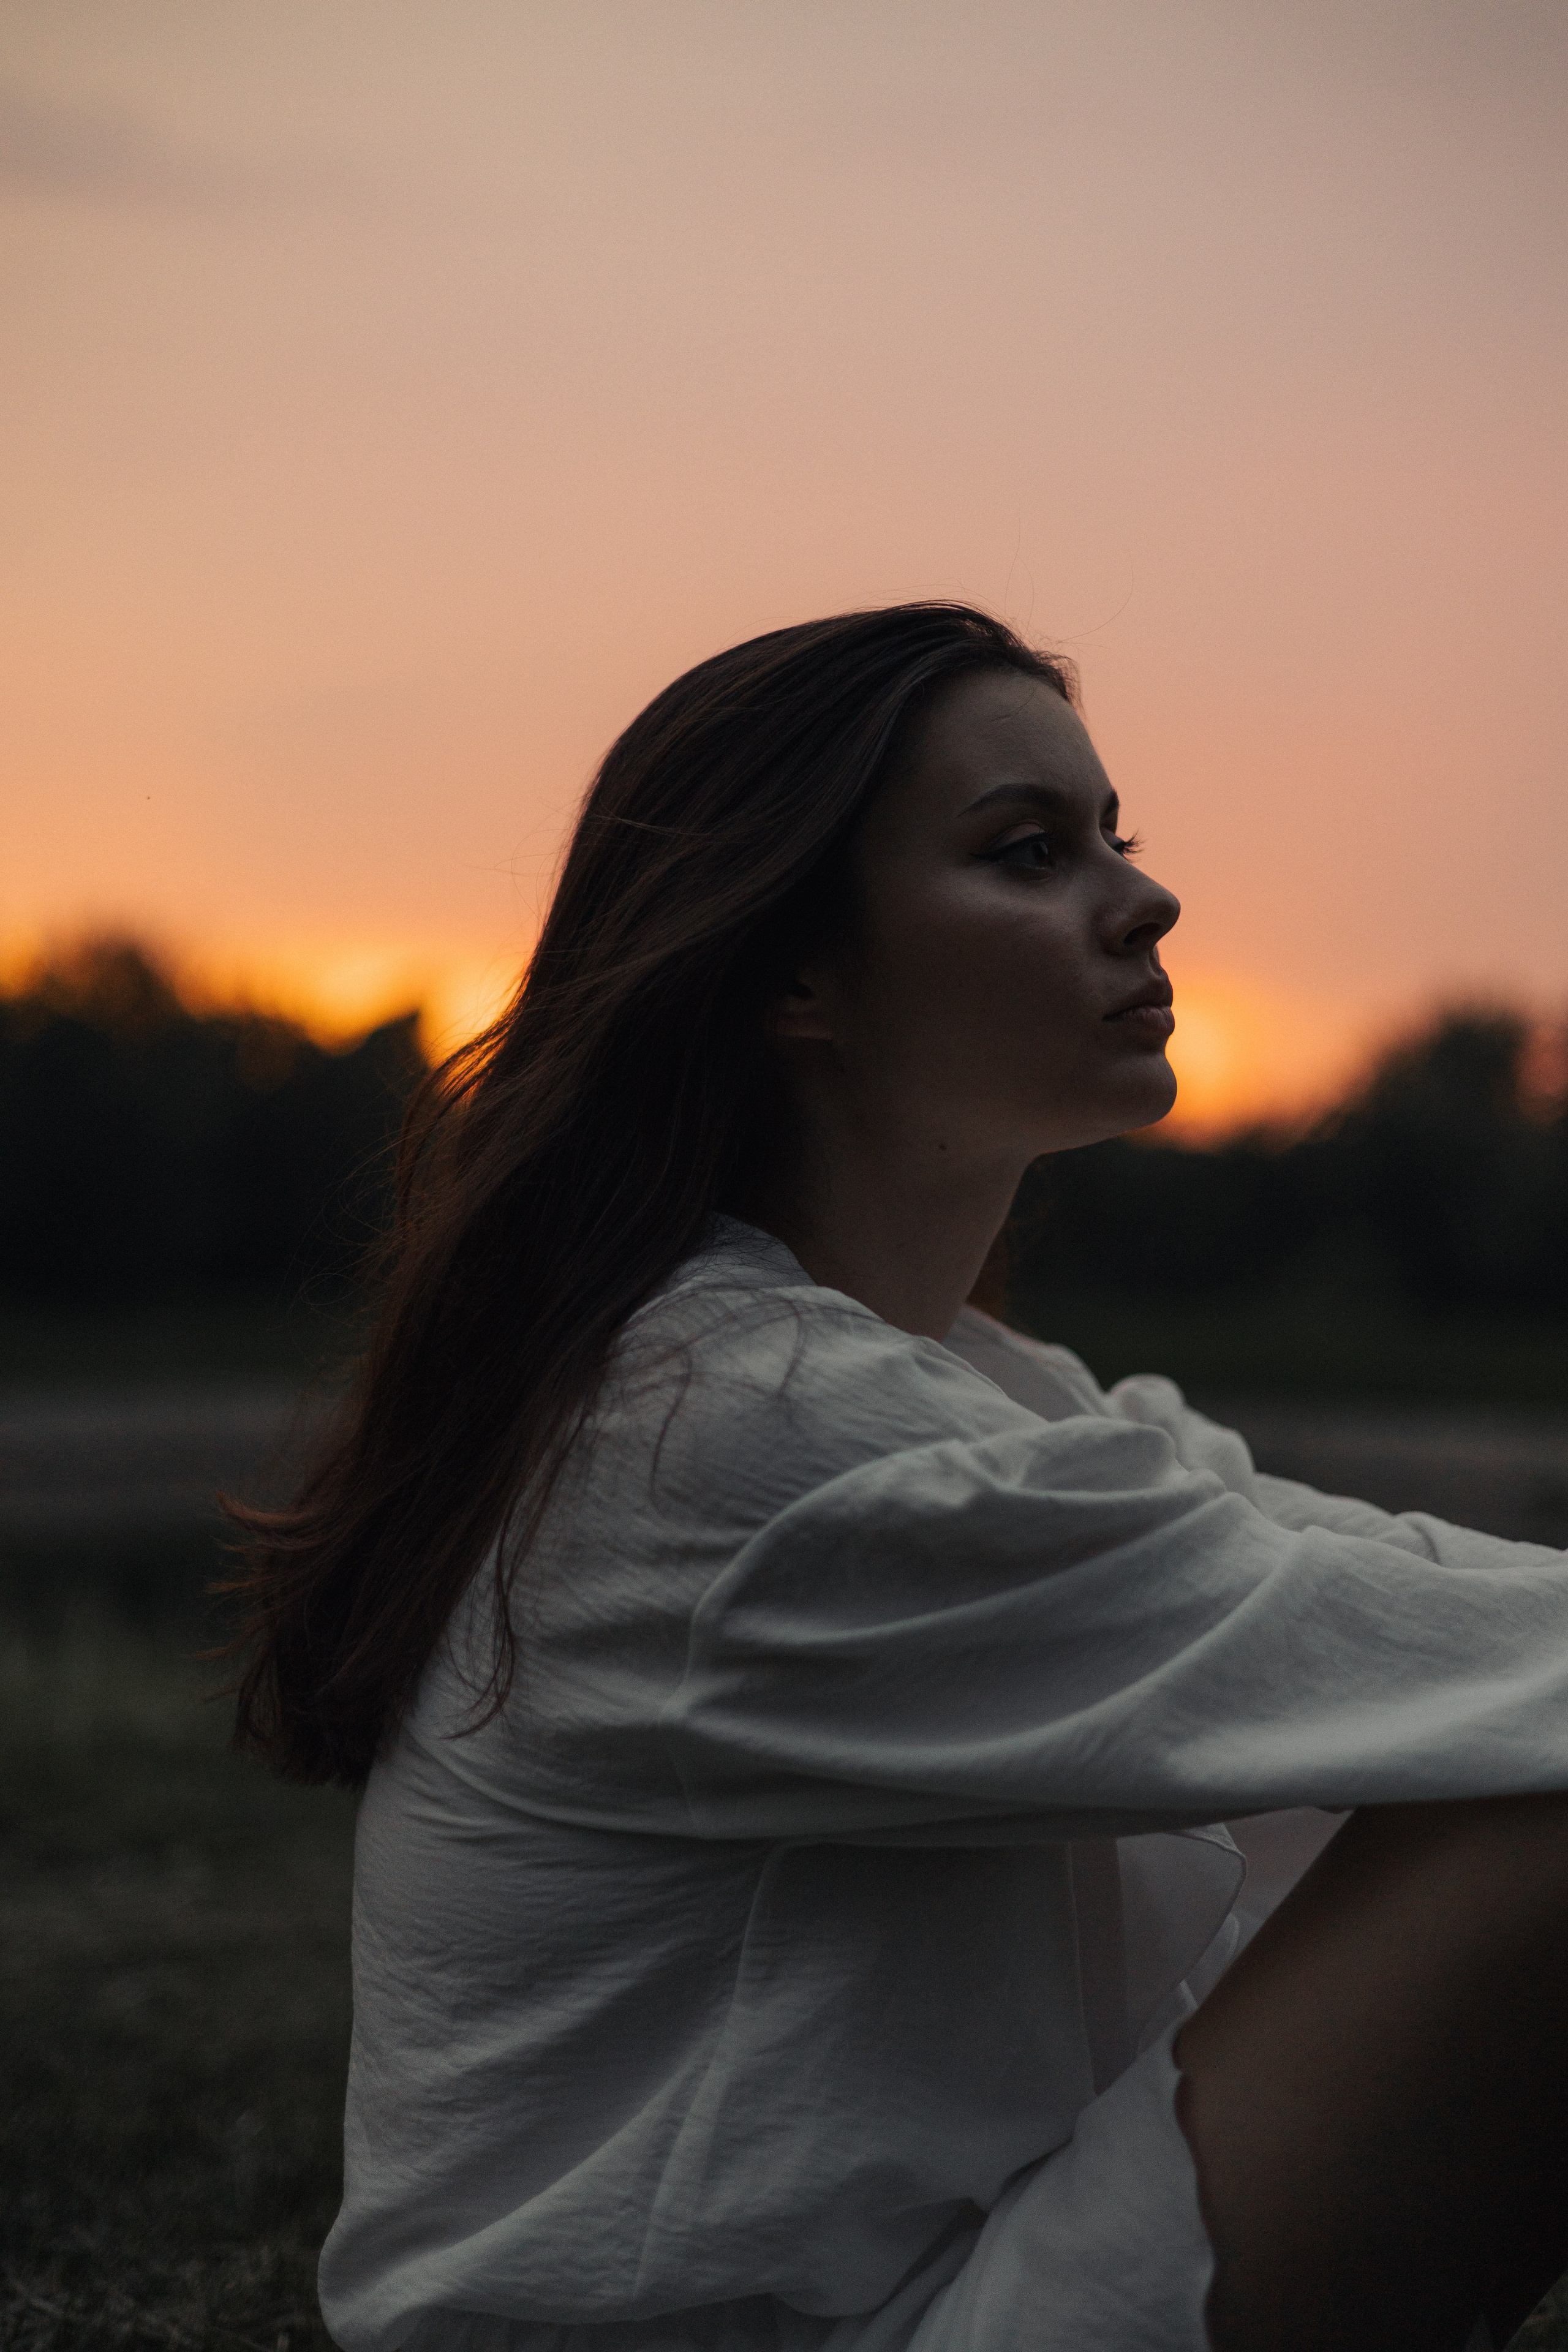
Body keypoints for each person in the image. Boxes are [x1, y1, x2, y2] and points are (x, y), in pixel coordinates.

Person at [229, 604, 1568, 2352]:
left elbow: (1391, 1596)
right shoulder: (742, 1433)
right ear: (791, 975)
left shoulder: (957, 1389)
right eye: (1027, 853)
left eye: (1116, 840)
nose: (1143, 900)